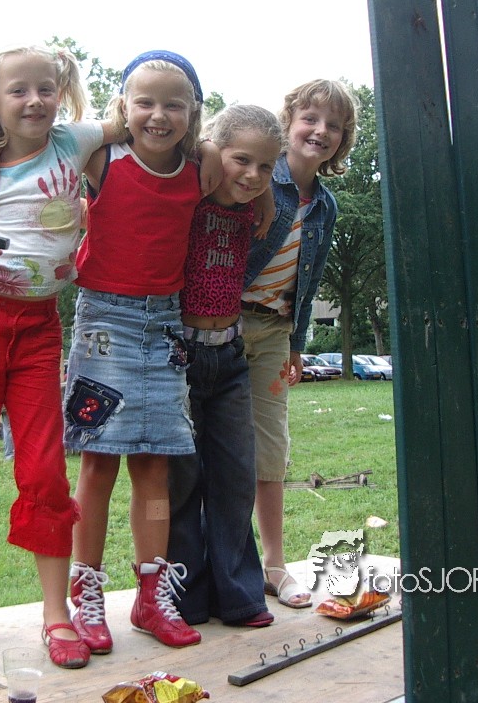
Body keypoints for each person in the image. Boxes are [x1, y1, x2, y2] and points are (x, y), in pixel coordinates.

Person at [0, 44, 125, 671]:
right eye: (18, 90)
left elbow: (127, 121)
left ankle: (56, 613)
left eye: (46, 88)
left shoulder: (75, 140)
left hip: (39, 327)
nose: (34, 100)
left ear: (60, 92)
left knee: (44, 472)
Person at [64, 50, 207, 654]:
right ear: (123, 106)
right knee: (98, 462)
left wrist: (266, 205)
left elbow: (253, 171)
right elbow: (45, 142)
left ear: (193, 112)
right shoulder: (103, 158)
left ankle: (151, 596)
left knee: (155, 465)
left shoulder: (202, 168)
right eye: (144, 102)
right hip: (103, 320)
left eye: (174, 104)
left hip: (166, 325)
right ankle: (86, 592)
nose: (158, 115)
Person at [240, 79, 358, 608]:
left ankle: (274, 565)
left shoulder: (325, 206)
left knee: (271, 450)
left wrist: (296, 344)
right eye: (310, 118)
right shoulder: (259, 178)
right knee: (216, 449)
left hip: (274, 332)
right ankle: (217, 563)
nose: (320, 131)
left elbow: (307, 281)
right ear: (288, 122)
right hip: (223, 323)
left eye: (334, 126)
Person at [167, 105, 284, 629]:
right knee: (182, 481)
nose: (254, 175)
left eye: (265, 167)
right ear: (217, 152)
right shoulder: (188, 191)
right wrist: (213, 151)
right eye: (242, 160)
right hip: (180, 358)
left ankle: (238, 596)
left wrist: (264, 192)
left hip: (230, 358)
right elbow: (186, 146)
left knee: (236, 477)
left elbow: (276, 179)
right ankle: (186, 599)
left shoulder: (254, 204)